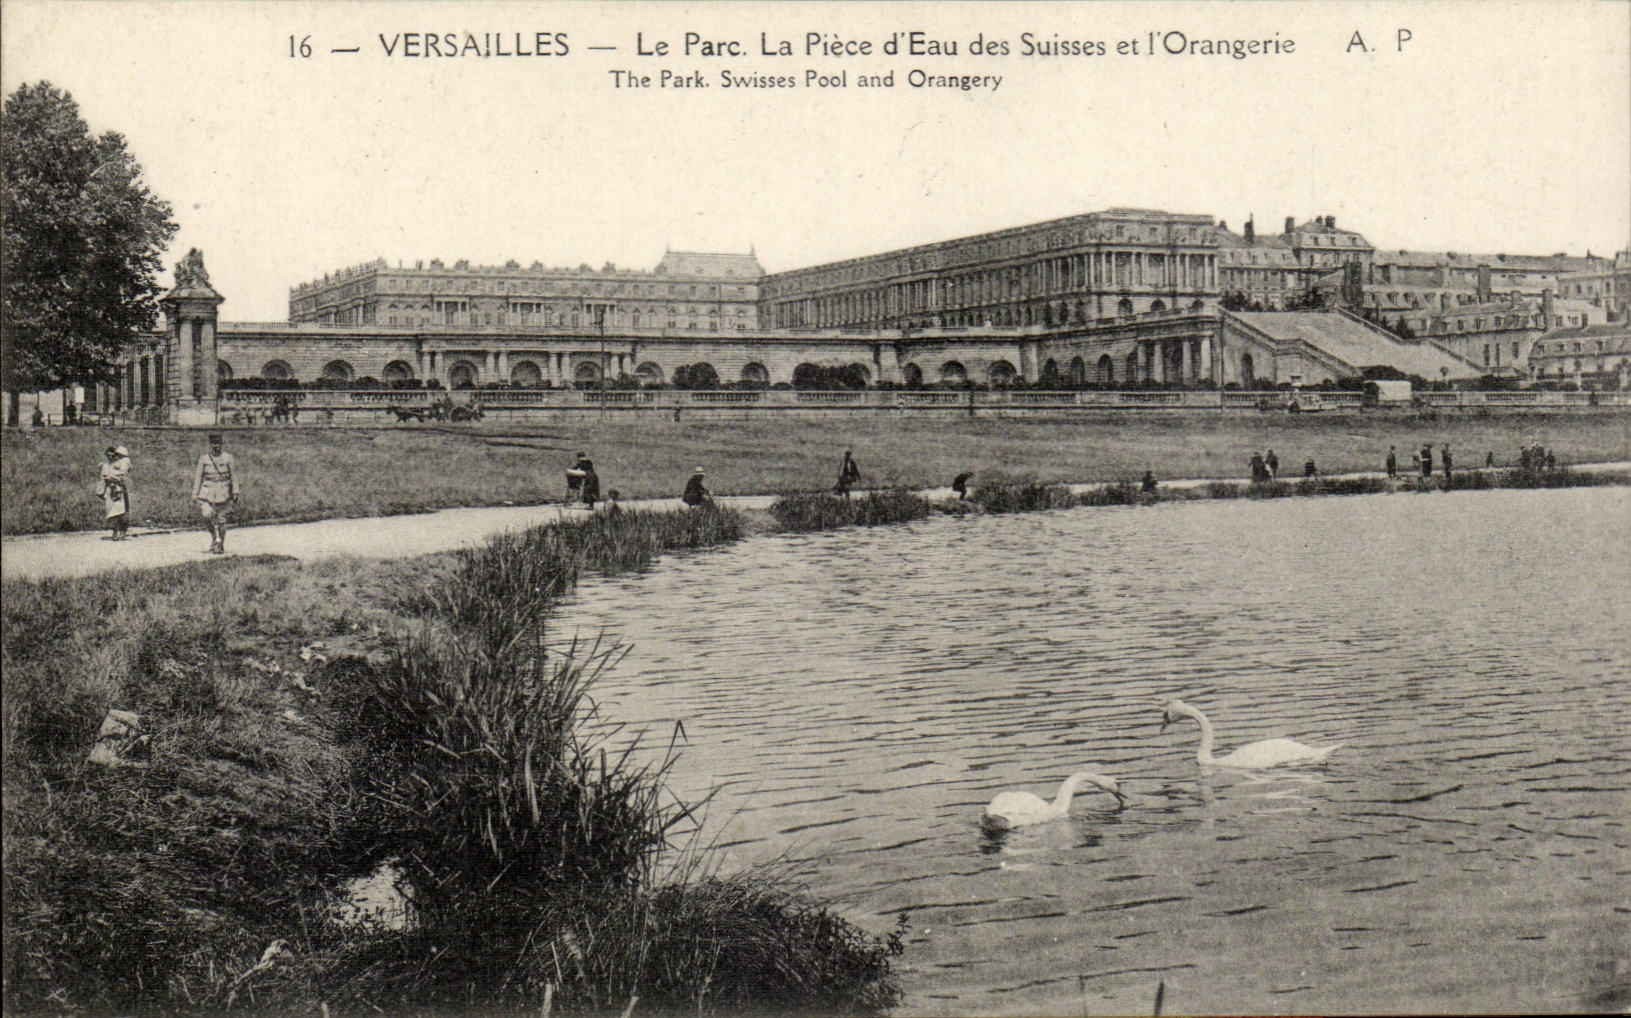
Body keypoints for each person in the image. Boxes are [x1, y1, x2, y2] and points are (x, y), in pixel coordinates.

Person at [192, 433, 239, 554]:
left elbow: (234, 476)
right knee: (206, 515)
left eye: (218, 443)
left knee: (221, 519)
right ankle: (214, 538)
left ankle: (220, 544)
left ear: (221, 444)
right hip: (207, 491)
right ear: (210, 444)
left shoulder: (228, 458)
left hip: (223, 491)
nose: (216, 446)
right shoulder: (204, 459)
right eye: (213, 444)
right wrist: (195, 493)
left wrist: (235, 491)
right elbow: (198, 477)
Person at [96, 445, 131, 541]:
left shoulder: (122, 463)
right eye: (108, 456)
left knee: (120, 511)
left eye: (113, 455)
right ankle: (115, 532)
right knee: (111, 512)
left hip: (119, 490)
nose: (111, 457)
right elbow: (103, 478)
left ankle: (122, 531)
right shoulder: (107, 465)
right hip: (109, 490)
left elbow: (121, 476)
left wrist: (109, 476)